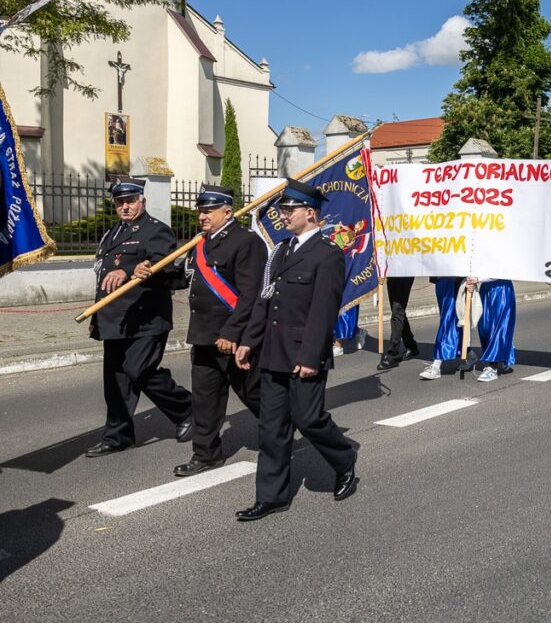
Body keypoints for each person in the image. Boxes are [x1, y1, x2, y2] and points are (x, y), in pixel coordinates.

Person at [235, 179, 358, 521]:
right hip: (273, 353)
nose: (283, 216)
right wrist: (248, 341)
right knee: (272, 428)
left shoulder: (328, 254)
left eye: (289, 210)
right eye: (282, 210)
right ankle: (271, 496)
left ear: (310, 213)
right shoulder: (280, 251)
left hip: (303, 354)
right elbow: (265, 302)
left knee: (309, 419)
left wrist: (309, 357)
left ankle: (343, 459)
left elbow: (323, 311)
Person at [135, 185, 264, 476]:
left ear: (227, 211)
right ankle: (206, 454)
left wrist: (232, 333)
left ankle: (280, 436)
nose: (201, 215)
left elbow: (250, 294)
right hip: (204, 335)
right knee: (205, 401)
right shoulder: (199, 244)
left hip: (234, 338)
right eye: (200, 210)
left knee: (255, 395)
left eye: (208, 210)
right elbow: (183, 279)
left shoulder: (246, 242)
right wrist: (151, 275)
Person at [85, 178, 192, 458]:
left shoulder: (155, 231)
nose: (125, 206)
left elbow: (166, 266)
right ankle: (117, 435)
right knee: (116, 380)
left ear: (141, 201)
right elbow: (105, 276)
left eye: (130, 201)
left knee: (139, 370)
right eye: (120, 202)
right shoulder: (112, 233)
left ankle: (188, 410)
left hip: (147, 318)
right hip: (116, 319)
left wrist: (133, 269)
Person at [418, 276, 472, 380]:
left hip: (453, 281)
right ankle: (469, 353)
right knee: (448, 320)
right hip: (440, 279)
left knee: (447, 322)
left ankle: (436, 366)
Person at [466, 276, 516, 382]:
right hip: (486, 288)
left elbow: (500, 269)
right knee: (485, 327)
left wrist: (478, 279)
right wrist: (470, 283)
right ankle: (504, 357)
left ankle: (493, 367)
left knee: (499, 328)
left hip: (502, 290)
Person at [377, 276, 419, 370]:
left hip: (405, 273)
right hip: (392, 274)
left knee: (397, 311)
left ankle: (393, 354)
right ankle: (411, 345)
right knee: (397, 312)